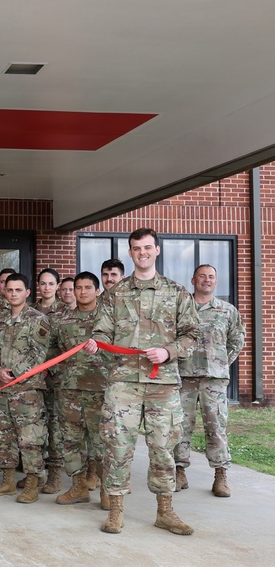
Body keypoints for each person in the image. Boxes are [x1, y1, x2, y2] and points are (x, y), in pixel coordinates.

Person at [85, 227, 200, 535]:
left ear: (157, 250)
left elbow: (192, 336)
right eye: (137, 248)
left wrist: (168, 350)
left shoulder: (177, 293)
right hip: (124, 382)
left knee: (163, 447)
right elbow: (101, 331)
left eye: (148, 247)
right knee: (118, 446)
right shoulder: (115, 294)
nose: (143, 252)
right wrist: (97, 342)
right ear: (131, 252)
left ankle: (165, 511)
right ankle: (116, 511)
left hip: (162, 384)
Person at [174, 264, 246, 497]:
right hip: (183, 376)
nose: (207, 280)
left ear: (216, 282)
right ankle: (179, 471)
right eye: (202, 276)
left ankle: (220, 475)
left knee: (216, 427)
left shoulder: (227, 311)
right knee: (180, 426)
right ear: (193, 280)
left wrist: (221, 363)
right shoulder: (182, 309)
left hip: (213, 380)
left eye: (211, 277)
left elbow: (237, 340)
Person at [0, 273, 50, 504]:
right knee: (3, 436)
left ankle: (32, 483)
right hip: (2, 389)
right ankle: (8, 480)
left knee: (30, 438)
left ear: (27, 292)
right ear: (4, 292)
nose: (13, 294)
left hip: (27, 390)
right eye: (9, 290)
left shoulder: (38, 319)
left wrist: (13, 373)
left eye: (18, 290)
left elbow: (39, 354)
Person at [48, 272, 108, 507]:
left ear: (97, 290)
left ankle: (106, 490)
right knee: (71, 441)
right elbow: (53, 350)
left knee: (101, 442)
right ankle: (78, 486)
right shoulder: (63, 320)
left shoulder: (106, 319)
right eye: (78, 288)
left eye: (87, 288)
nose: (82, 292)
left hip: (99, 389)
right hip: (69, 389)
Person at [33, 267, 66, 494]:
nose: (46, 288)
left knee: (54, 425)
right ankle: (37, 473)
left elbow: (67, 346)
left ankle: (55, 474)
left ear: (57, 286)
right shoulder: (30, 310)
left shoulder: (65, 312)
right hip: (32, 378)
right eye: (43, 284)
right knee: (35, 424)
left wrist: (50, 367)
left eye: (51, 284)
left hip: (55, 378)